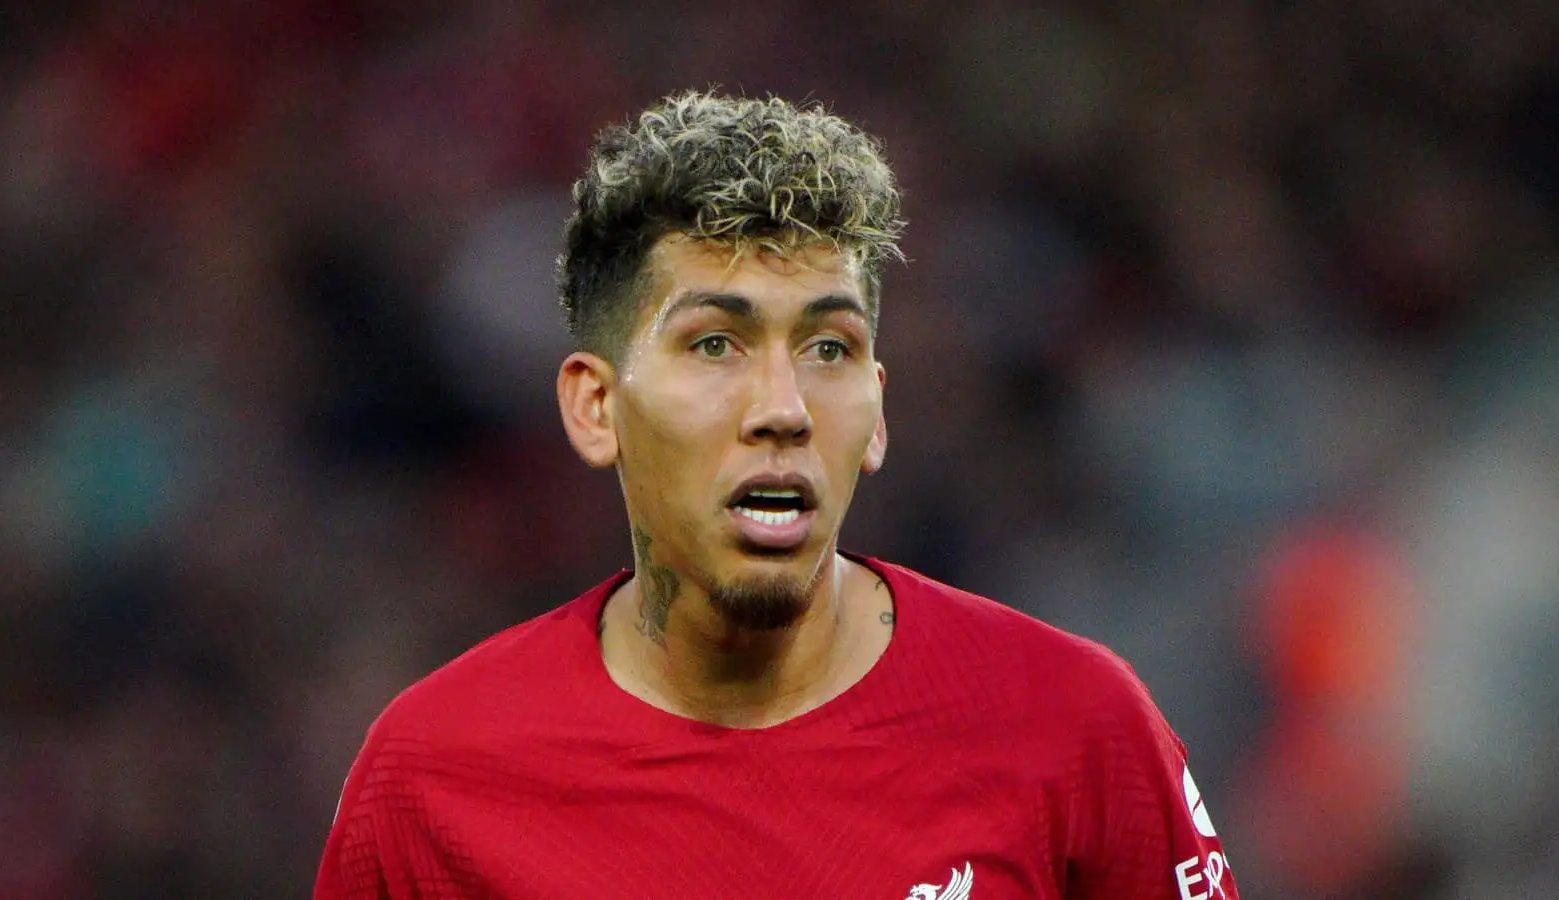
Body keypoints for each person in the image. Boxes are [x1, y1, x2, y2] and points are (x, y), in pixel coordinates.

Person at [314, 90, 1239, 900]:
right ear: (597, 408)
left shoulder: (1074, 725)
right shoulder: (433, 777)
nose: (784, 409)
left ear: (878, 414)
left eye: (829, 348)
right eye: (715, 344)